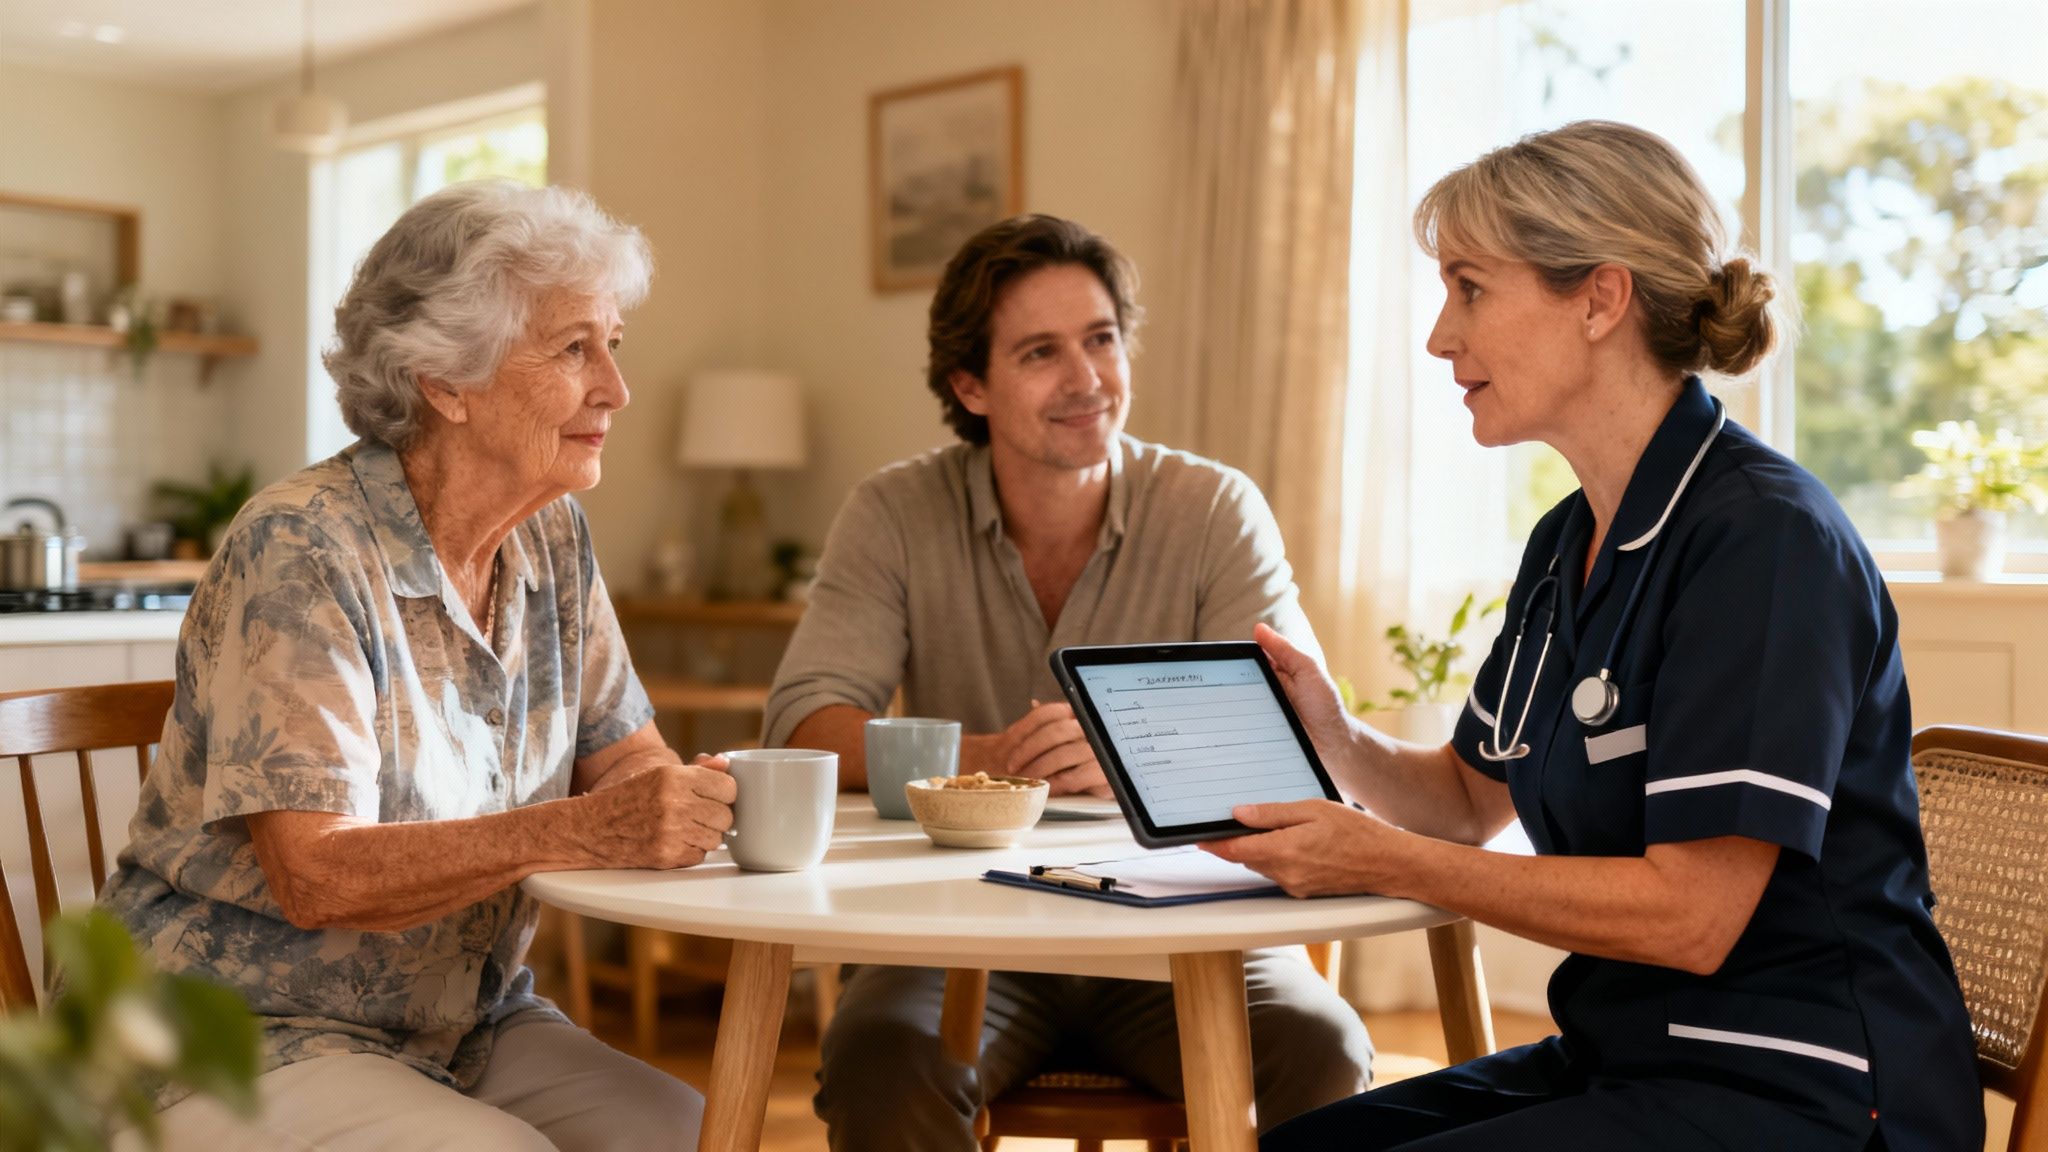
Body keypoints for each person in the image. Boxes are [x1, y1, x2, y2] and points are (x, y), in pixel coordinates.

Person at [1205, 121, 1981, 1151]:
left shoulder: (1762, 541)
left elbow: (1689, 918)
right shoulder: (1568, 537)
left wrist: (1381, 861)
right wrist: (1334, 733)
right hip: (1635, 1053)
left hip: (1807, 1086)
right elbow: (1465, 801)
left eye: (1468, 288)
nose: (1440, 336)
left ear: (1598, 299)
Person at [98, 181, 736, 1152]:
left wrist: (672, 801)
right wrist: (579, 829)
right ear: (446, 382)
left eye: (613, 343)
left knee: (697, 1133)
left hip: (459, 1022)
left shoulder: (551, 539)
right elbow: (315, 876)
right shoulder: (303, 548)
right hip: (230, 1032)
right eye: (574, 348)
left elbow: (626, 755)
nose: (615, 386)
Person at [763, 213, 1373, 1150]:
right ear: (971, 386)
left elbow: (1288, 732)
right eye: (1042, 352)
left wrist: (1141, 757)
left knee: (1323, 1047)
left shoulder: (1213, 509)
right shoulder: (891, 513)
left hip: (1189, 923)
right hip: (961, 927)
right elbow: (805, 723)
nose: (1087, 379)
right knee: (879, 1055)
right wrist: (991, 763)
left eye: (1101, 339)